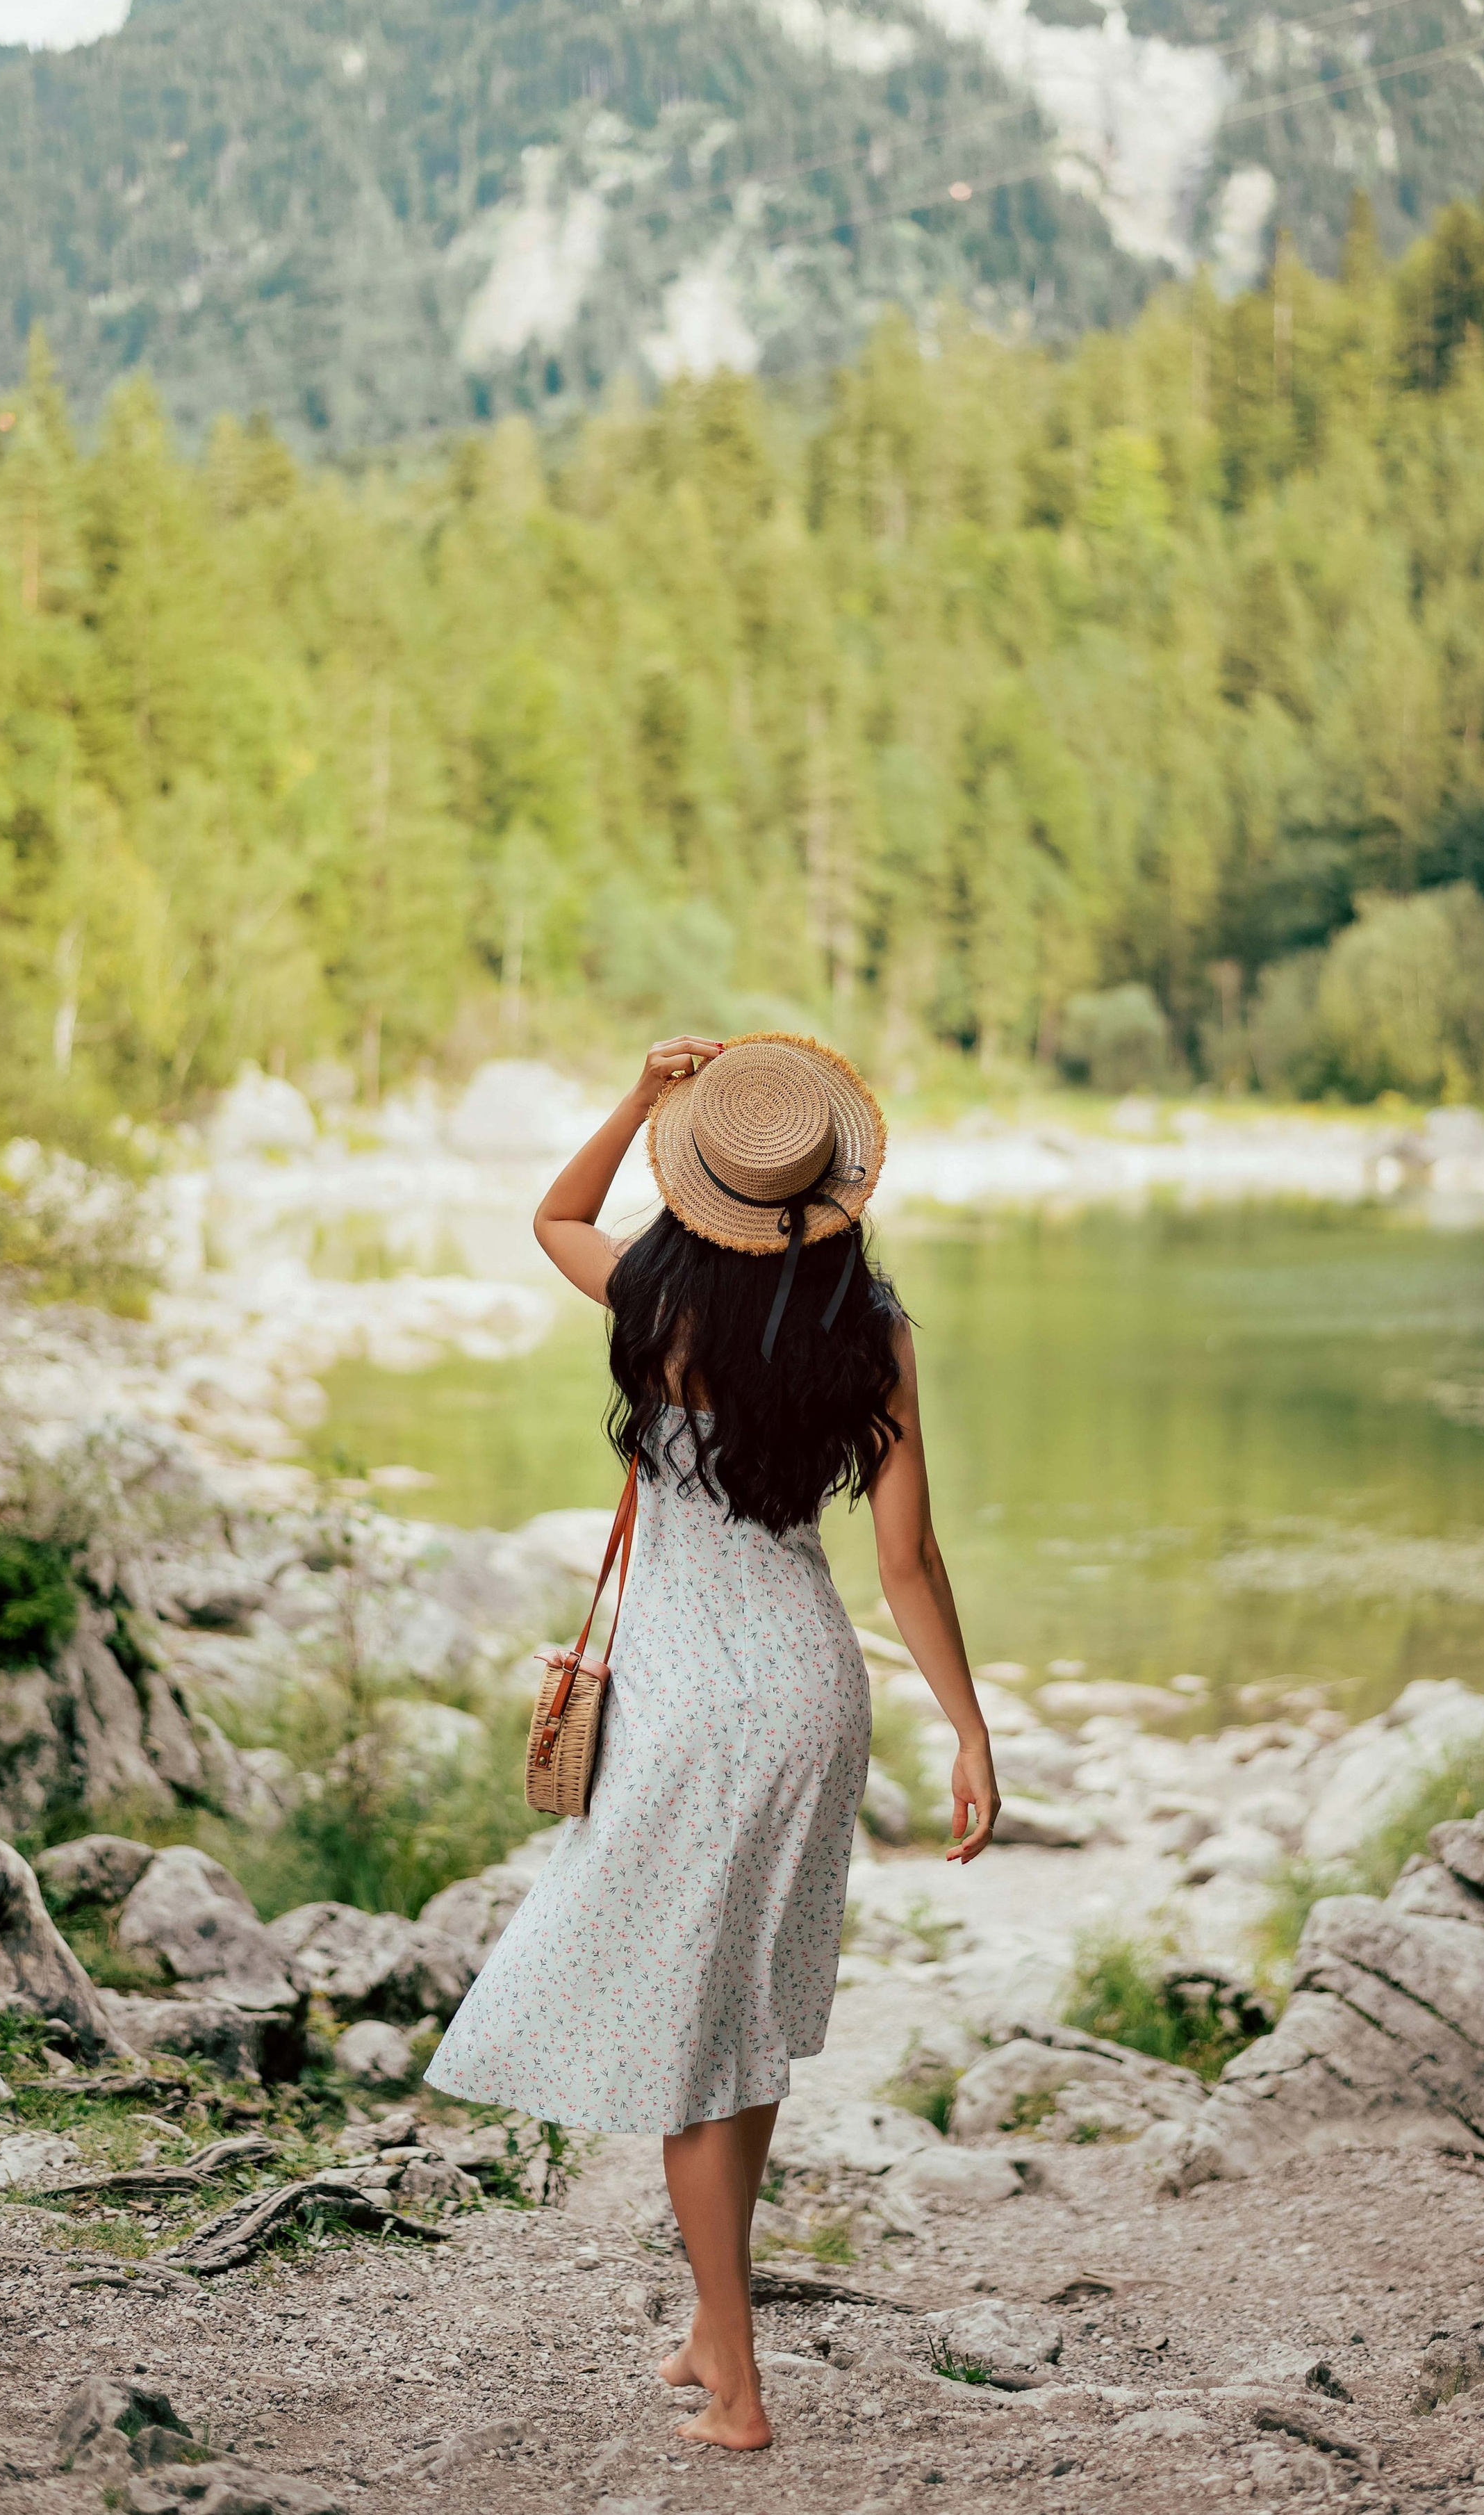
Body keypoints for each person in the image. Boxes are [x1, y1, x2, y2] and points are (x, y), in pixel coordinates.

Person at [427, 1032, 1000, 2451]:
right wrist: (969, 1729)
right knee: (738, 2026)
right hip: (811, 1695)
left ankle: (738, 2387)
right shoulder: (869, 1329)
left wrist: (636, 1098)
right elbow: (910, 1564)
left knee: (694, 2046)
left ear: (703, 1186)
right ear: (828, 1190)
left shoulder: (657, 1296)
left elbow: (552, 1215)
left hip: (687, 1702)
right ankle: (707, 2327)